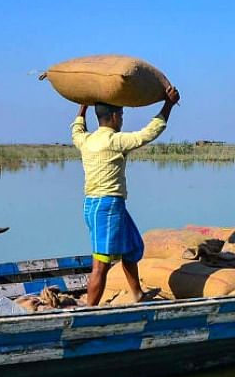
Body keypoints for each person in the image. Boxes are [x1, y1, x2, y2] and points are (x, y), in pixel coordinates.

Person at [73, 86, 180, 306]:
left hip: (102, 206)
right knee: (100, 265)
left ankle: (137, 294)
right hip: (107, 207)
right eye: (121, 115)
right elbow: (148, 133)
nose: (121, 119)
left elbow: (76, 130)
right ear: (113, 116)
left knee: (132, 248)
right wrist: (168, 105)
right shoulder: (114, 141)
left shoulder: (86, 141)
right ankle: (87, 312)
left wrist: (81, 109)